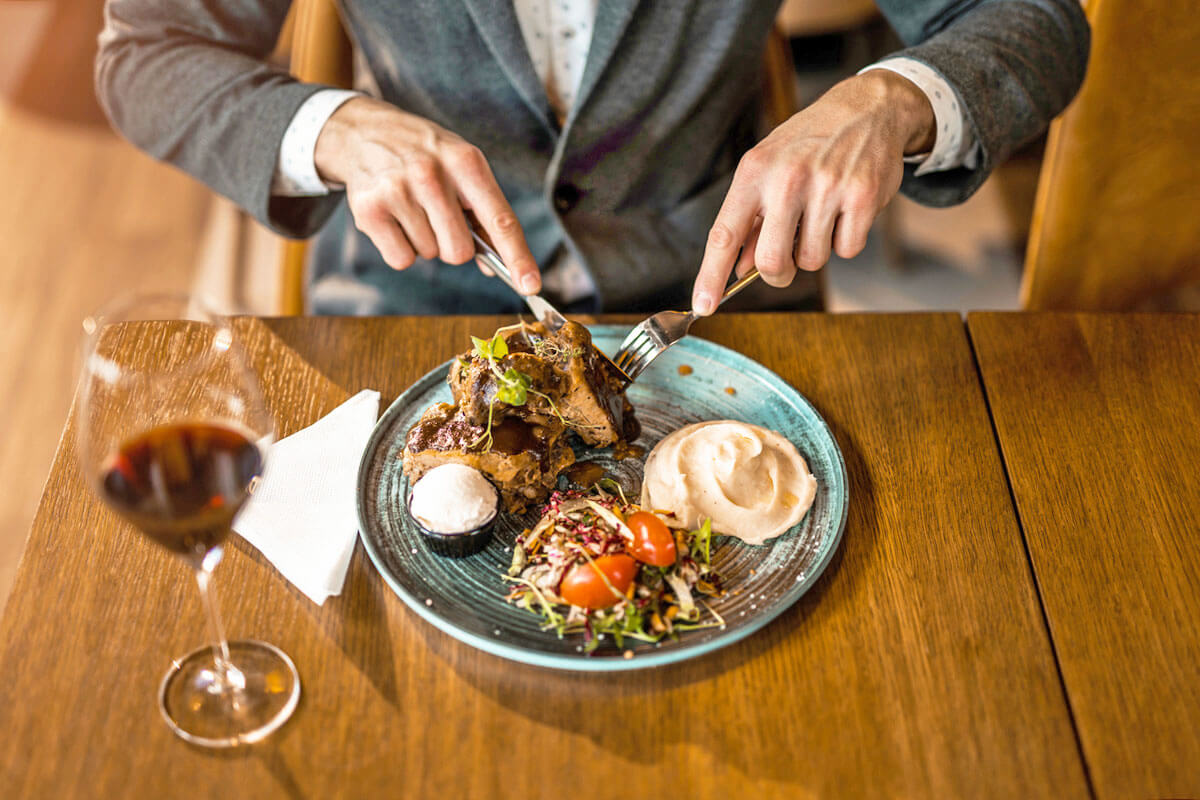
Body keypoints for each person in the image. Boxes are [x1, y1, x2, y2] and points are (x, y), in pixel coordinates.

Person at [96, 1, 1088, 315]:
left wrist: (893, 98)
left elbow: (1036, 19)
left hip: (716, 307)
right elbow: (145, 54)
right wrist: (331, 129)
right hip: (417, 302)